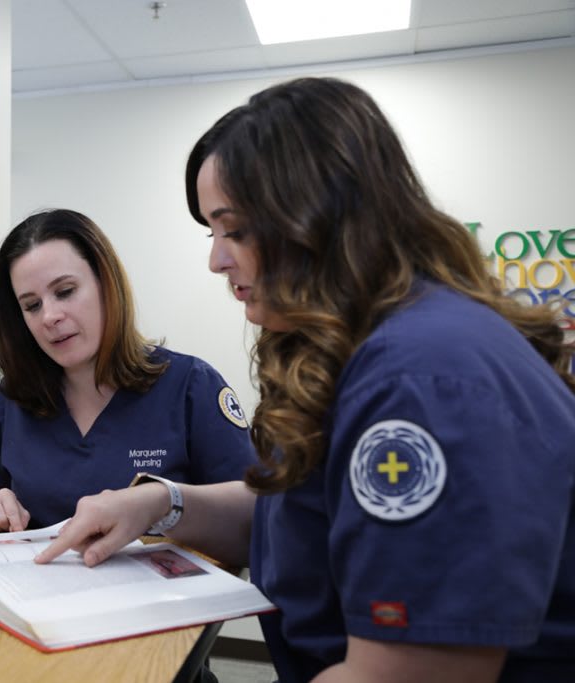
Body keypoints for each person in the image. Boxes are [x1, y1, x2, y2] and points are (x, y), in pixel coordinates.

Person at [36, 77, 575, 682]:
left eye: (234, 229)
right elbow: (295, 509)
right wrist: (163, 501)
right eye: (212, 232)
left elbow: (403, 673)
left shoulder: (421, 381)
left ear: (319, 220)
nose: (216, 259)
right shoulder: (369, 348)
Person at [0, 208, 257, 532]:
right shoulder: (17, 395)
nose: (49, 316)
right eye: (32, 305)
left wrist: (165, 504)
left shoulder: (191, 386)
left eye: (65, 291)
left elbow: (252, 516)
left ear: (106, 284)